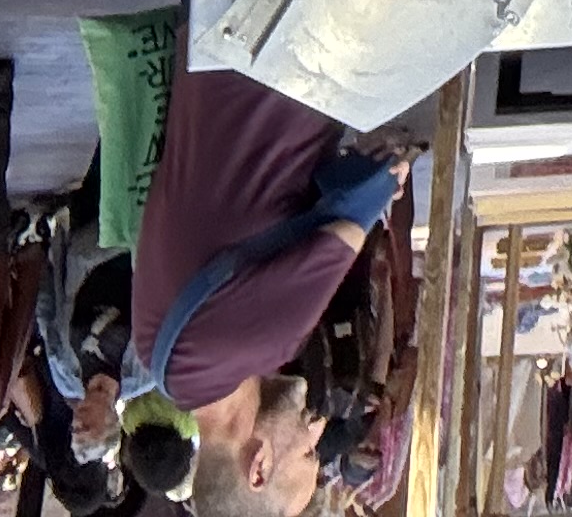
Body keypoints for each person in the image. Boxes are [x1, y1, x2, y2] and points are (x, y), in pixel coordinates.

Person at [124, 59, 401, 517]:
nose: (316, 430)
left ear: (258, 467)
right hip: (219, 48)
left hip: (294, 53)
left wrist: (389, 178)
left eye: (307, 452)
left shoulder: (260, 343)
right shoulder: (157, 356)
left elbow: (374, 187)